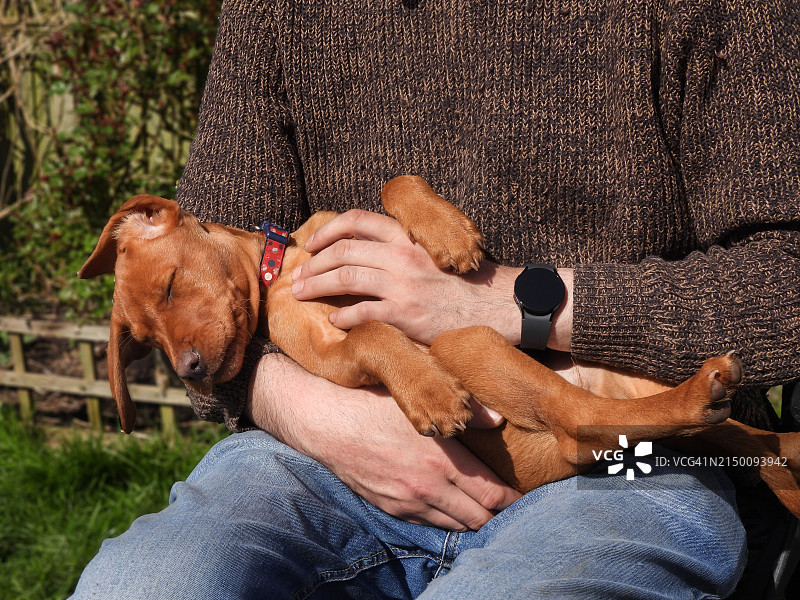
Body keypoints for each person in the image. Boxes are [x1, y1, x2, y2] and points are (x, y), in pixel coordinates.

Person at [71, 1, 800, 598]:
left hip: (629, 459)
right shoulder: (279, 12)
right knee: (139, 585)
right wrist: (317, 416)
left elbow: (785, 280)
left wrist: (516, 301)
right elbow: (220, 276)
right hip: (314, 458)